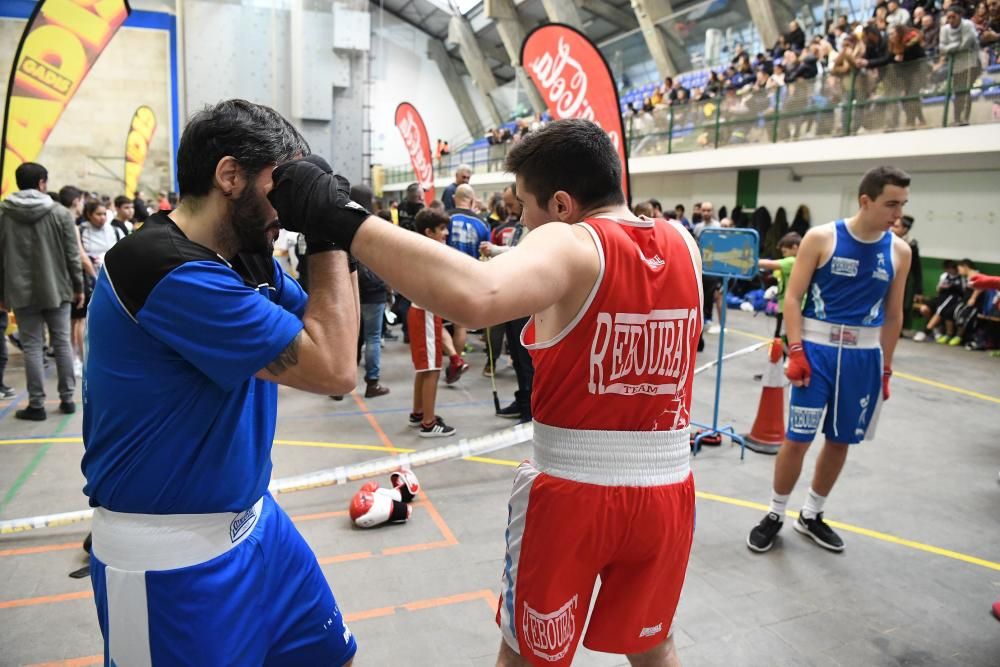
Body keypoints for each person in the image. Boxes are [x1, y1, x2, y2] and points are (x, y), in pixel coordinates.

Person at [269, 118, 702, 665]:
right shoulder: (685, 245)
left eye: (524, 207)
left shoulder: (572, 244)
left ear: (563, 205)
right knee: (655, 648)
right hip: (668, 492)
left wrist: (343, 218)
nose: (520, 221)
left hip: (575, 494)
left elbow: (475, 297)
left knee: (526, 658)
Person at [81, 100, 358, 665]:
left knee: (331, 656)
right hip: (170, 560)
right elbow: (335, 369)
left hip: (257, 522)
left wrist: (340, 234)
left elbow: (330, 338)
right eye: (281, 186)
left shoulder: (245, 258)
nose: (289, 205)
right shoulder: (165, 270)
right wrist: (331, 236)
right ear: (229, 176)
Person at [747, 166, 912, 555]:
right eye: (891, 204)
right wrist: (797, 349)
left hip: (863, 357)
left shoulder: (899, 250)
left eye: (903, 205)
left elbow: (894, 314)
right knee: (797, 438)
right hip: (817, 351)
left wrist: (886, 368)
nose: (898, 214)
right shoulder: (822, 237)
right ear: (865, 201)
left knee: (840, 441)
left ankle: (812, 514)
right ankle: (774, 513)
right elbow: (792, 297)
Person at [0, 162, 83, 420]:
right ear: (42, 183)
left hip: (20, 291)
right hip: (57, 288)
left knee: (33, 346)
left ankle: (36, 404)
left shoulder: (4, 214)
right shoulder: (60, 214)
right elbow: (72, 255)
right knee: (61, 343)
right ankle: (68, 398)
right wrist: (78, 285)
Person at [405, 208, 457, 437]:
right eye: (441, 229)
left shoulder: (419, 250)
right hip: (425, 313)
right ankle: (428, 421)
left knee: (424, 368)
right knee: (432, 369)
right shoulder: (430, 253)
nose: (445, 233)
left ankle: (418, 412)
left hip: (420, 311)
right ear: (429, 232)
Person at [447, 182, 491, 376]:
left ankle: (444, 360)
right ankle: (456, 362)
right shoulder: (482, 223)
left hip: (444, 275)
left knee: (435, 322)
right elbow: (486, 254)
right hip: (469, 278)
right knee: (460, 325)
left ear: (454, 198)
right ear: (472, 200)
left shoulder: (446, 217)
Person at [351, 183, 390, 398]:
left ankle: (343, 384)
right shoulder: (375, 225)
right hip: (374, 290)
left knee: (352, 338)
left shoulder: (342, 222)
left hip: (352, 287)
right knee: (373, 337)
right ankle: (372, 383)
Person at [938, 6, 981, 126]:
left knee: (965, 90)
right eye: (949, 17)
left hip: (972, 62)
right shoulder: (944, 29)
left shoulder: (968, 25)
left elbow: (966, 44)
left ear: (960, 16)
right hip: (956, 65)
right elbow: (942, 48)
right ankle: (957, 119)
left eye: (953, 17)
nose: (951, 20)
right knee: (957, 92)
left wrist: (950, 48)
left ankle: (965, 118)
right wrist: (955, 46)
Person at [759, 232, 802, 339]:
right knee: (781, 337)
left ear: (795, 248)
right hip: (784, 307)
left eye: (784, 251)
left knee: (784, 339)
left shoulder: (793, 261)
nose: (783, 254)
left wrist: (750, 261)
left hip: (789, 309)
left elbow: (770, 264)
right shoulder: (794, 262)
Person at [913, 259, 964, 341]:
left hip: (952, 299)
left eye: (951, 268)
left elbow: (963, 292)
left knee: (940, 310)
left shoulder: (961, 278)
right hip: (941, 297)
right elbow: (938, 290)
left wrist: (953, 287)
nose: (949, 270)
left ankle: (925, 331)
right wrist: (942, 287)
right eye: (947, 268)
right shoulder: (944, 276)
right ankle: (936, 329)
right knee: (924, 309)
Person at [891, 215, 923, 333]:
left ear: (905, 229)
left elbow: (917, 269)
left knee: (900, 305)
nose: (892, 228)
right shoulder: (886, 238)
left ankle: (896, 330)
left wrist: (919, 290)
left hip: (902, 280)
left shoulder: (911, 245)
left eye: (896, 226)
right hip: (886, 277)